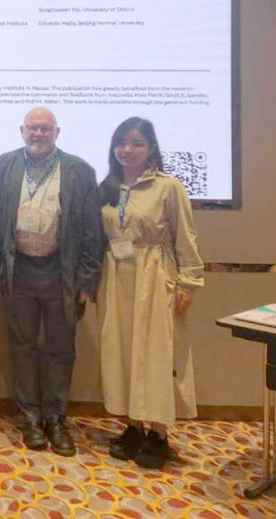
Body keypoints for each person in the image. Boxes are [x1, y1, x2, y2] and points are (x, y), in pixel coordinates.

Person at [0, 107, 102, 456]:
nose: (38, 134)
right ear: (22, 131)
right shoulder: (6, 164)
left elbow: (90, 229)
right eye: (33, 129)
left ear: (57, 132)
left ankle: (55, 418)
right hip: (19, 271)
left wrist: (87, 278)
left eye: (45, 129)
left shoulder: (79, 171)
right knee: (22, 348)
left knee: (60, 350)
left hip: (61, 274)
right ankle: (29, 417)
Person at [97, 117, 203, 469]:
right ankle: (133, 426)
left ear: (151, 148)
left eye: (136, 143)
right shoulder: (108, 187)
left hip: (155, 277)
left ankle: (158, 432)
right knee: (123, 351)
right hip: (117, 276)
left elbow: (186, 237)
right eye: (121, 143)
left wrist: (188, 281)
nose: (127, 150)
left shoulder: (168, 187)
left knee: (156, 355)